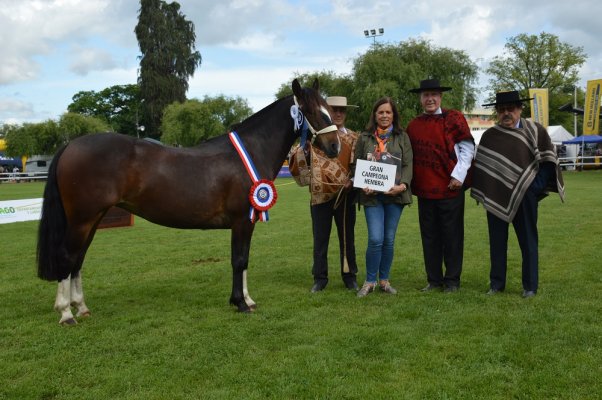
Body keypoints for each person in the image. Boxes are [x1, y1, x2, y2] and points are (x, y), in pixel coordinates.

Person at [471, 90, 565, 298]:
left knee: (528, 241)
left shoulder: (535, 131)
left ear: (520, 109)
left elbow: (548, 162)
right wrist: (487, 191)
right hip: (496, 195)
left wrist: (533, 188)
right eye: (502, 109)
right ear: (497, 111)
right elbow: (484, 165)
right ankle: (496, 284)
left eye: (511, 109)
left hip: (526, 197)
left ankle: (530, 286)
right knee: (497, 242)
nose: (506, 113)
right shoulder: (490, 136)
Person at [406, 79, 475, 293]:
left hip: (450, 189)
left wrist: (459, 176)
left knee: (452, 236)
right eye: (426, 95)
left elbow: (467, 149)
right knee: (429, 237)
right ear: (420, 98)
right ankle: (434, 280)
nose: (430, 99)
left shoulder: (453, 119)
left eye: (434, 94)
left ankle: (452, 280)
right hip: (425, 190)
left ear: (440, 97)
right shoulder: (414, 125)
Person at [290, 96, 360, 292]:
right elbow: (300, 169)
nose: (338, 114)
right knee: (320, 239)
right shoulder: (314, 138)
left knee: (347, 238)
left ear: (346, 113)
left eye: (341, 110)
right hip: (320, 197)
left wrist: (352, 181)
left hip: (345, 197)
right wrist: (302, 151)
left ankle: (349, 276)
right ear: (327, 112)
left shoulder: (355, 138)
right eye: (334, 110)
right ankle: (320, 278)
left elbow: (359, 166)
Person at [354, 97, 413, 297]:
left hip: (395, 196)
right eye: (381, 112)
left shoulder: (402, 137)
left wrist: (403, 185)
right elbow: (356, 165)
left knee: (388, 239)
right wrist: (363, 184)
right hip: (372, 198)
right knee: (375, 238)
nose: (385, 115)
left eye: (388, 112)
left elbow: (408, 164)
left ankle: (384, 281)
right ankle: (369, 281)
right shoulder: (364, 138)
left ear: (393, 115)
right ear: (375, 115)